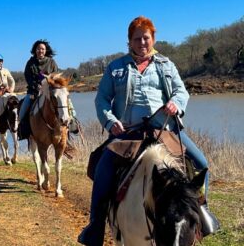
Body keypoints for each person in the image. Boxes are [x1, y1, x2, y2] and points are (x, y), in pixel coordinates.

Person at [78, 16, 219, 246]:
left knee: (202, 163)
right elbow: (101, 100)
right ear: (129, 41)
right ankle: (95, 227)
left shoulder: (165, 64)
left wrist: (175, 103)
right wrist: (110, 121)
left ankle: (201, 214)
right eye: (137, 38)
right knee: (102, 167)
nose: (142, 42)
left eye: (146, 38)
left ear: (153, 39)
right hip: (127, 132)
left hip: (164, 129)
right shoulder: (115, 68)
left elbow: (181, 92)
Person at [18, 39, 79, 140]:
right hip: (34, 91)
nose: (40, 51)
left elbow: (57, 76)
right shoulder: (30, 63)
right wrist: (35, 85)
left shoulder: (51, 62)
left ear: (45, 50)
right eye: (38, 49)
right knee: (22, 111)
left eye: (42, 49)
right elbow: (27, 77)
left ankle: (72, 123)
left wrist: (49, 84)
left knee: (66, 101)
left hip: (51, 90)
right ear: (35, 50)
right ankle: (23, 130)